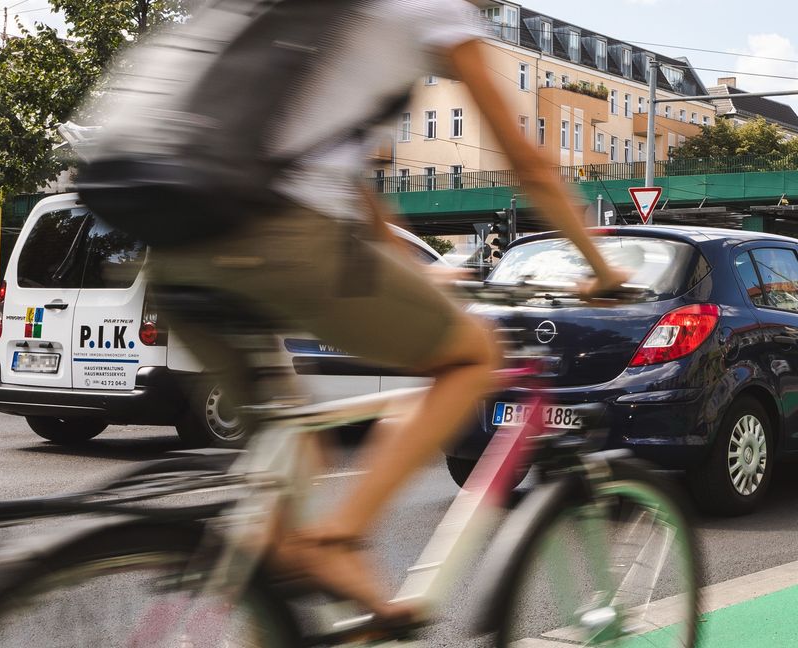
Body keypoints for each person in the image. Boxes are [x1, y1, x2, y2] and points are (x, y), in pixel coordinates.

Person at [78, 0, 623, 626]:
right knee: (472, 356)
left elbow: (347, 183)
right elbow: (527, 164)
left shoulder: (322, 34)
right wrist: (599, 269)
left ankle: (271, 595)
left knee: (299, 460)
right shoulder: (434, 8)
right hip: (278, 237)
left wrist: (415, 274)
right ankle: (339, 540)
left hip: (178, 245)